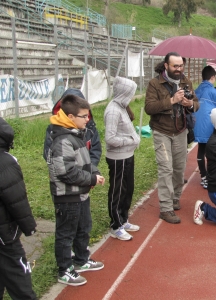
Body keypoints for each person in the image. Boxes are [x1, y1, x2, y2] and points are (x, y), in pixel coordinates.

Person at [46, 94, 105, 286]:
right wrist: (91, 178)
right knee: (66, 233)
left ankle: (81, 258)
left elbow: (85, 160)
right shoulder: (63, 140)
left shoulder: (76, 134)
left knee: (83, 227)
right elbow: (66, 172)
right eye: (83, 116)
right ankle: (65, 269)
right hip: (67, 196)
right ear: (71, 117)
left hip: (80, 193)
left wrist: (94, 172)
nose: (87, 119)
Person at [145, 52, 199, 224]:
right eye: (175, 66)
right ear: (166, 66)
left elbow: (196, 104)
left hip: (181, 131)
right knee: (165, 168)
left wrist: (190, 104)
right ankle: (165, 208)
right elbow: (149, 107)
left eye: (181, 65)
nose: (179, 69)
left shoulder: (186, 81)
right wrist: (172, 100)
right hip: (162, 131)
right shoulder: (155, 83)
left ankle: (175, 197)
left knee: (179, 167)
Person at [0, 118, 37, 299]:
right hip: (5, 237)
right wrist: (28, 226)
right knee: (20, 282)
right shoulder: (6, 162)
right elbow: (16, 199)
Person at [104, 77, 141, 241]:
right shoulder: (113, 110)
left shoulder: (122, 108)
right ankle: (115, 224)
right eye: (130, 93)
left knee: (128, 188)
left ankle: (123, 218)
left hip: (128, 155)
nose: (132, 97)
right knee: (117, 190)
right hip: (118, 157)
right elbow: (110, 138)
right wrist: (130, 141)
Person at [43, 88, 102, 166]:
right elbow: (48, 152)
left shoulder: (90, 128)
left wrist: (91, 169)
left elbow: (96, 150)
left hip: (86, 173)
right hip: (67, 174)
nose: (87, 119)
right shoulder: (54, 130)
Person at [193, 66, 216, 189]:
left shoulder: (197, 89)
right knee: (211, 151)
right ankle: (211, 176)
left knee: (201, 150)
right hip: (208, 124)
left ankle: (203, 176)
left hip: (196, 123)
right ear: (213, 78)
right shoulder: (211, 90)